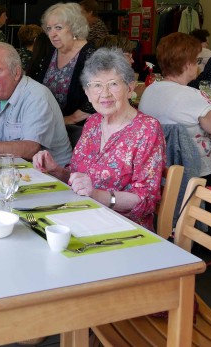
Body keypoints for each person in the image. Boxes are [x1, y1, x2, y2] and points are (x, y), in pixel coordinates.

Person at [32, 49, 165, 230]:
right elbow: (78, 178)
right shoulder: (93, 123)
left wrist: (96, 194)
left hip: (122, 228)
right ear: (87, 92)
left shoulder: (147, 129)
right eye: (96, 85)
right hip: (81, 215)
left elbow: (144, 199)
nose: (105, 93)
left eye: (113, 84)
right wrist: (56, 170)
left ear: (130, 88)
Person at [140, 33, 211, 196]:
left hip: (160, 169)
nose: (198, 66)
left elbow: (178, 111)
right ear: (186, 65)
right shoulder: (192, 95)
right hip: (194, 172)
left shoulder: (151, 90)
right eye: (196, 61)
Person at [30, 2, 95, 125]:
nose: (52, 34)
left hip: (78, 130)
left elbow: (102, 95)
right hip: (48, 125)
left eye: (58, 28)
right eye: (49, 29)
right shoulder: (51, 52)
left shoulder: (91, 56)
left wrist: (71, 119)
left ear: (74, 28)